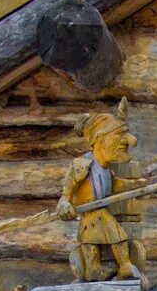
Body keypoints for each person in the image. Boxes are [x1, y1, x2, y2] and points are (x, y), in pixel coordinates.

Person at [59, 101, 146, 281]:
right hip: (91, 213)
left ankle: (117, 268)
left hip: (99, 211)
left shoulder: (105, 168)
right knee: (109, 238)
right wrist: (65, 203)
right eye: (120, 135)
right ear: (100, 138)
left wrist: (137, 186)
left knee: (103, 238)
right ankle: (107, 268)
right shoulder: (82, 165)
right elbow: (67, 192)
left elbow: (114, 185)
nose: (130, 141)